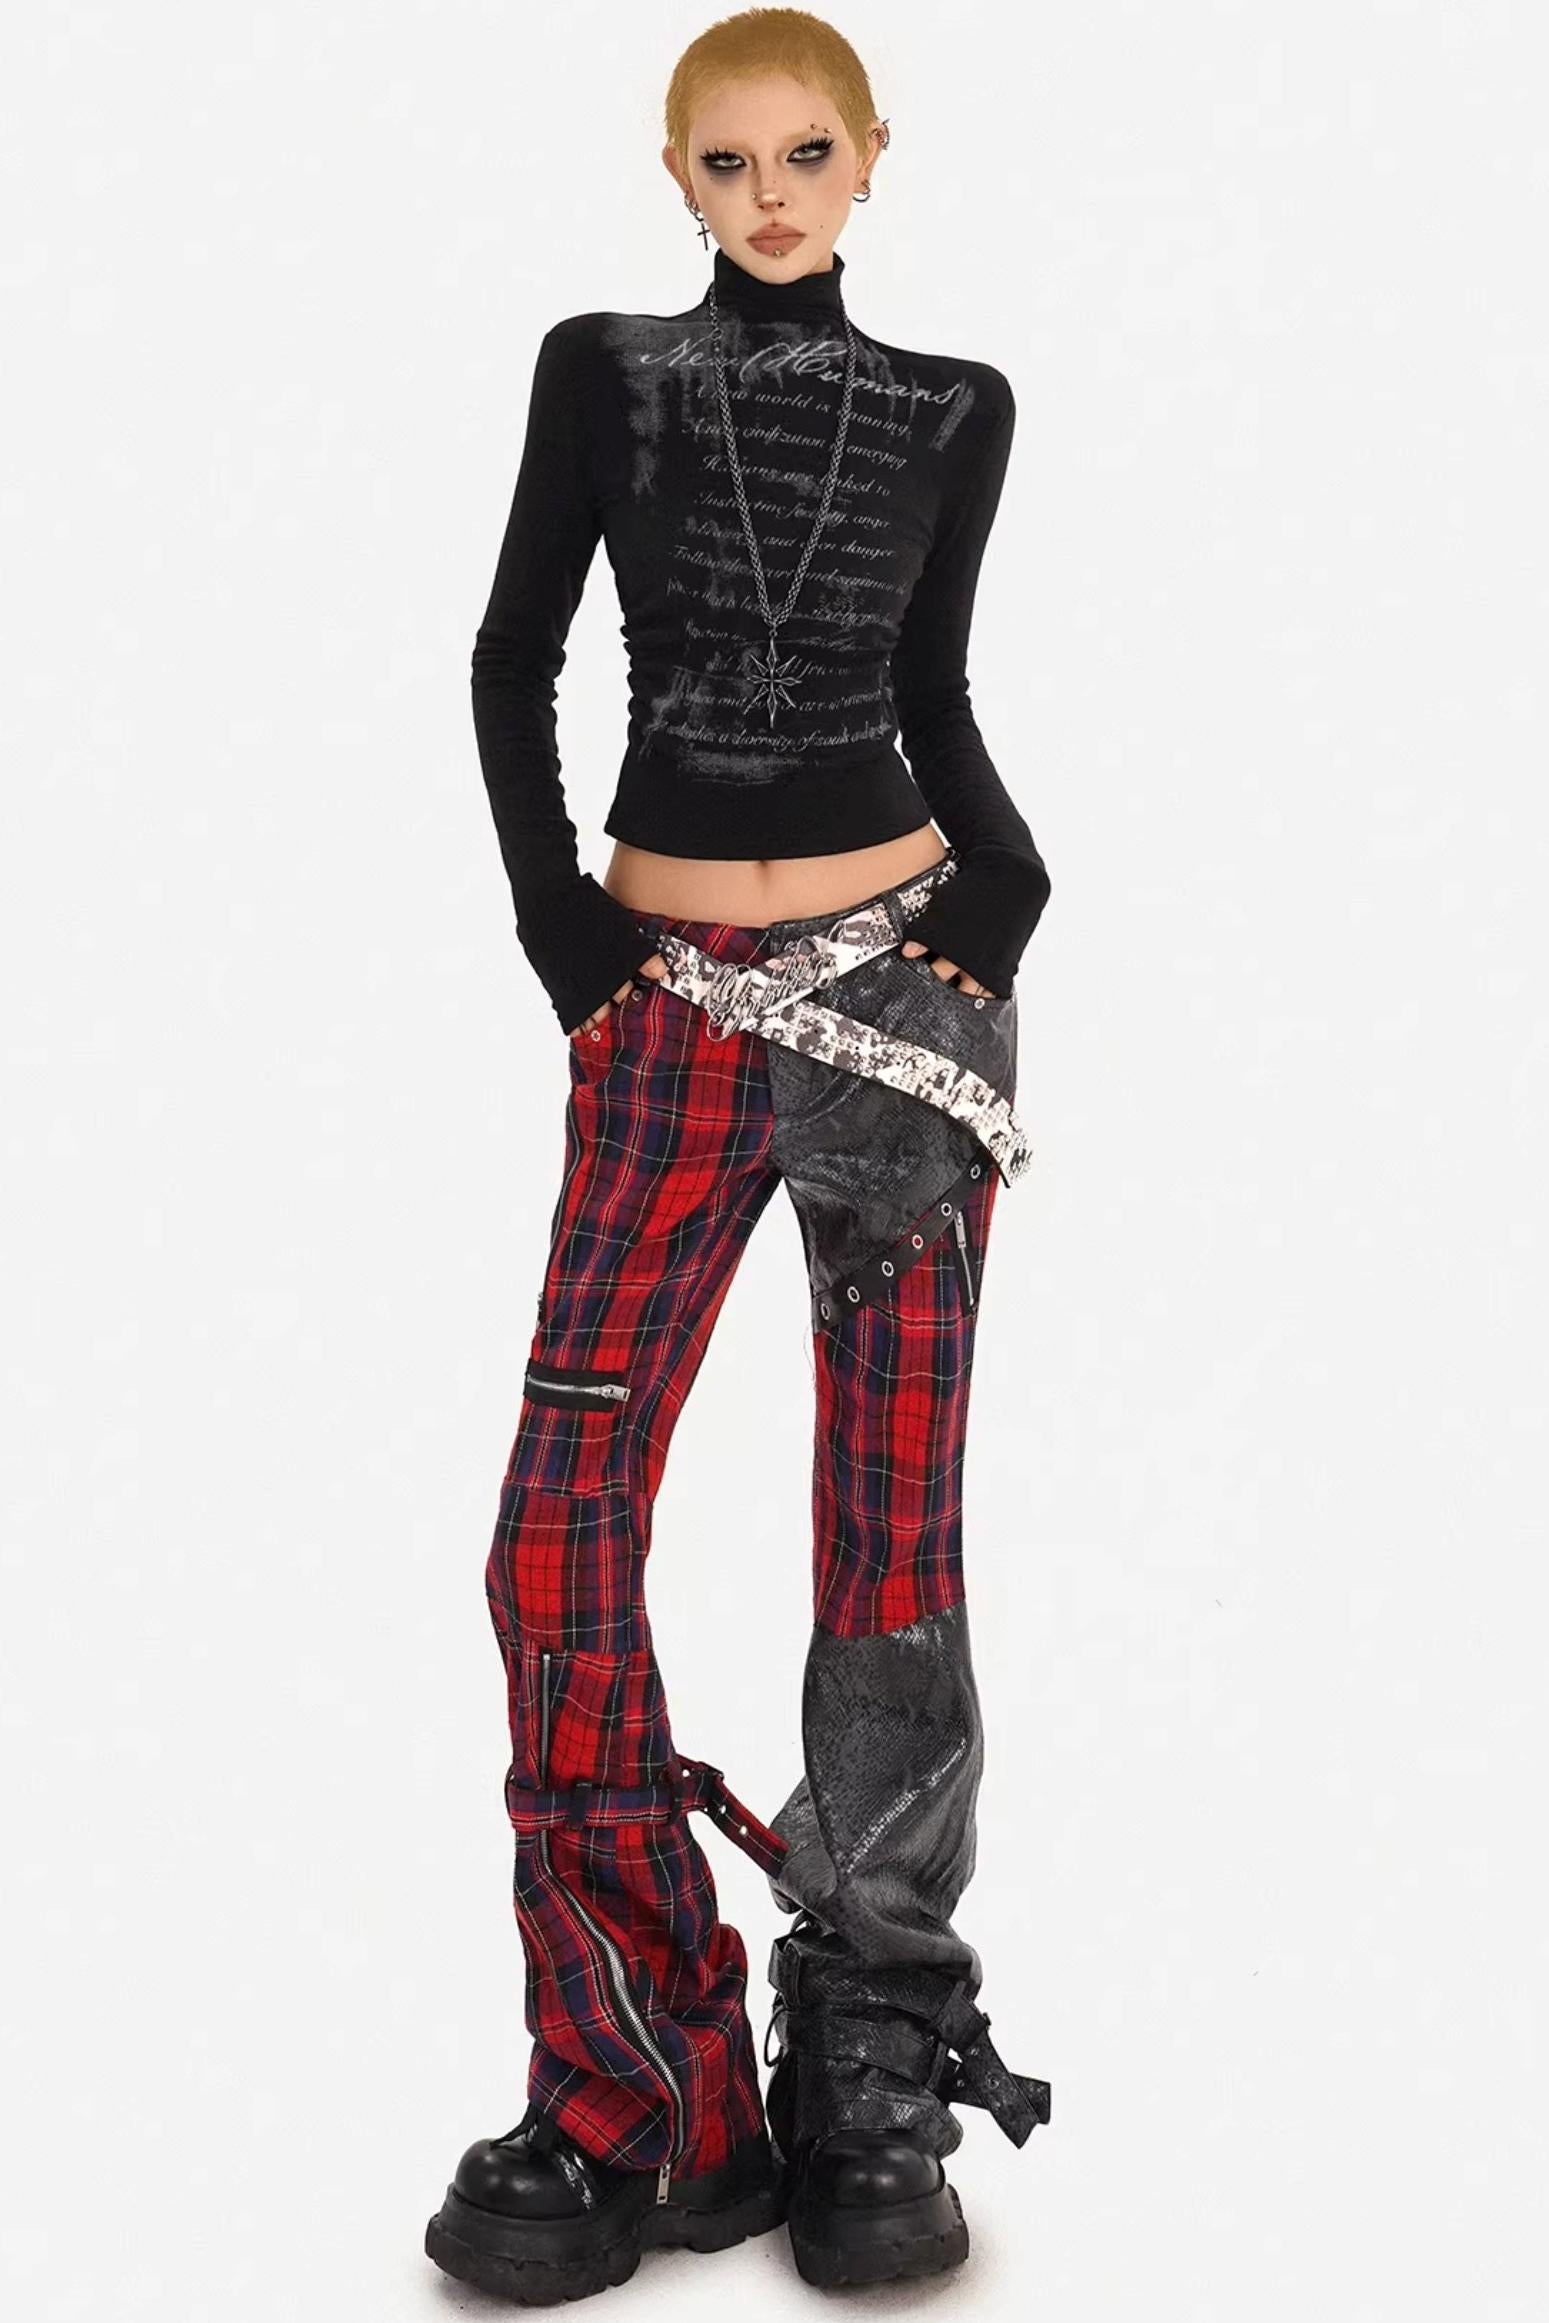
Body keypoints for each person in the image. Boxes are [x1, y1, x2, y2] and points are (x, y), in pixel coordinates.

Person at [425, 10, 1053, 2301]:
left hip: (906, 996)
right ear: (676, 174)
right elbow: (513, 658)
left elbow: (936, 693)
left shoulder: (957, 405)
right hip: (660, 1003)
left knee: (891, 1534)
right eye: (728, 161)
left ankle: (867, 2043)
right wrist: (564, 937)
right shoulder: (600, 372)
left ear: (872, 160)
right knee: (556, 1518)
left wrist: (1009, 890)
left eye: (806, 154)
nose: (769, 194)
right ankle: (642, 2076)